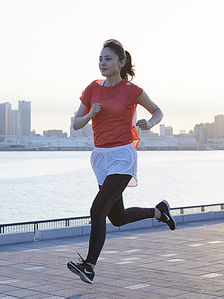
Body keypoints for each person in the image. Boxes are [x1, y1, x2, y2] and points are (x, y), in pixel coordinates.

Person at [67, 39, 176, 284]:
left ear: (121, 62)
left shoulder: (131, 90)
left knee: (97, 209)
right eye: (100, 59)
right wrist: (91, 114)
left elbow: (157, 111)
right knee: (116, 217)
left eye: (108, 59)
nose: (102, 63)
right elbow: (75, 124)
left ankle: (89, 266)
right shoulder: (92, 89)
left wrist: (150, 123)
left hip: (122, 156)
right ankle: (160, 212)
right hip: (100, 157)